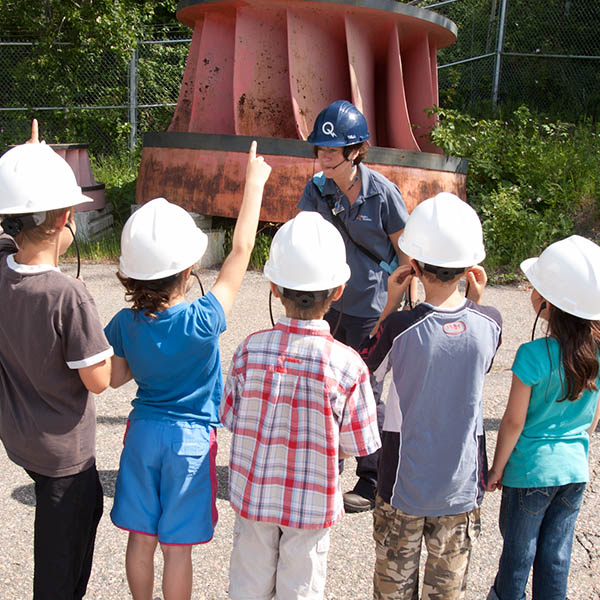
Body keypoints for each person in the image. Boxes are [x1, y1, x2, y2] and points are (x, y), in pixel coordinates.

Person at [104, 142, 271, 600]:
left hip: (142, 434)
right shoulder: (203, 319)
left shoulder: (124, 323)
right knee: (178, 550)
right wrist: (253, 184)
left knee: (141, 539)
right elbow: (241, 250)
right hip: (192, 441)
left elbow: (116, 378)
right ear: (190, 267)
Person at [220, 210, 381, 600]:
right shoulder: (347, 365)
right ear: (338, 290)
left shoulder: (250, 350)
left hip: (254, 494)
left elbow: (230, 417)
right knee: (302, 589)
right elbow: (358, 444)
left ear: (275, 287)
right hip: (311, 502)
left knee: (248, 583)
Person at [359, 193, 502, 599]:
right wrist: (475, 300)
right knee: (448, 589)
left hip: (402, 480)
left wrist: (388, 304)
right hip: (461, 482)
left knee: (393, 586)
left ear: (414, 267)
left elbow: (367, 366)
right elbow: (475, 356)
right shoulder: (490, 323)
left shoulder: (399, 327)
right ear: (472, 269)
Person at [0, 120, 113, 599]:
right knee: (60, 565)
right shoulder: (70, 295)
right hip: (65, 457)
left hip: (21, 440)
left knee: (65, 530)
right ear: (68, 215)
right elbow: (98, 380)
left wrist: (24, 164)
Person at [298, 99, 413, 513]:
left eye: (332, 150)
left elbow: (405, 259)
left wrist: (389, 316)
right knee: (322, 382)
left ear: (356, 150)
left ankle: (371, 476)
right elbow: (303, 240)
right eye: (320, 150)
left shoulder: (383, 193)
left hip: (371, 307)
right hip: (327, 305)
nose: (324, 157)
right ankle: (328, 461)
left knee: (367, 391)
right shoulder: (316, 190)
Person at [486, 235, 600, 600]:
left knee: (519, 555)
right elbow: (592, 420)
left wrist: (497, 468)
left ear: (546, 303)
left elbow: (513, 422)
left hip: (530, 471)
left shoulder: (532, 355)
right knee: (556, 557)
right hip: (574, 471)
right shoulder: (597, 357)